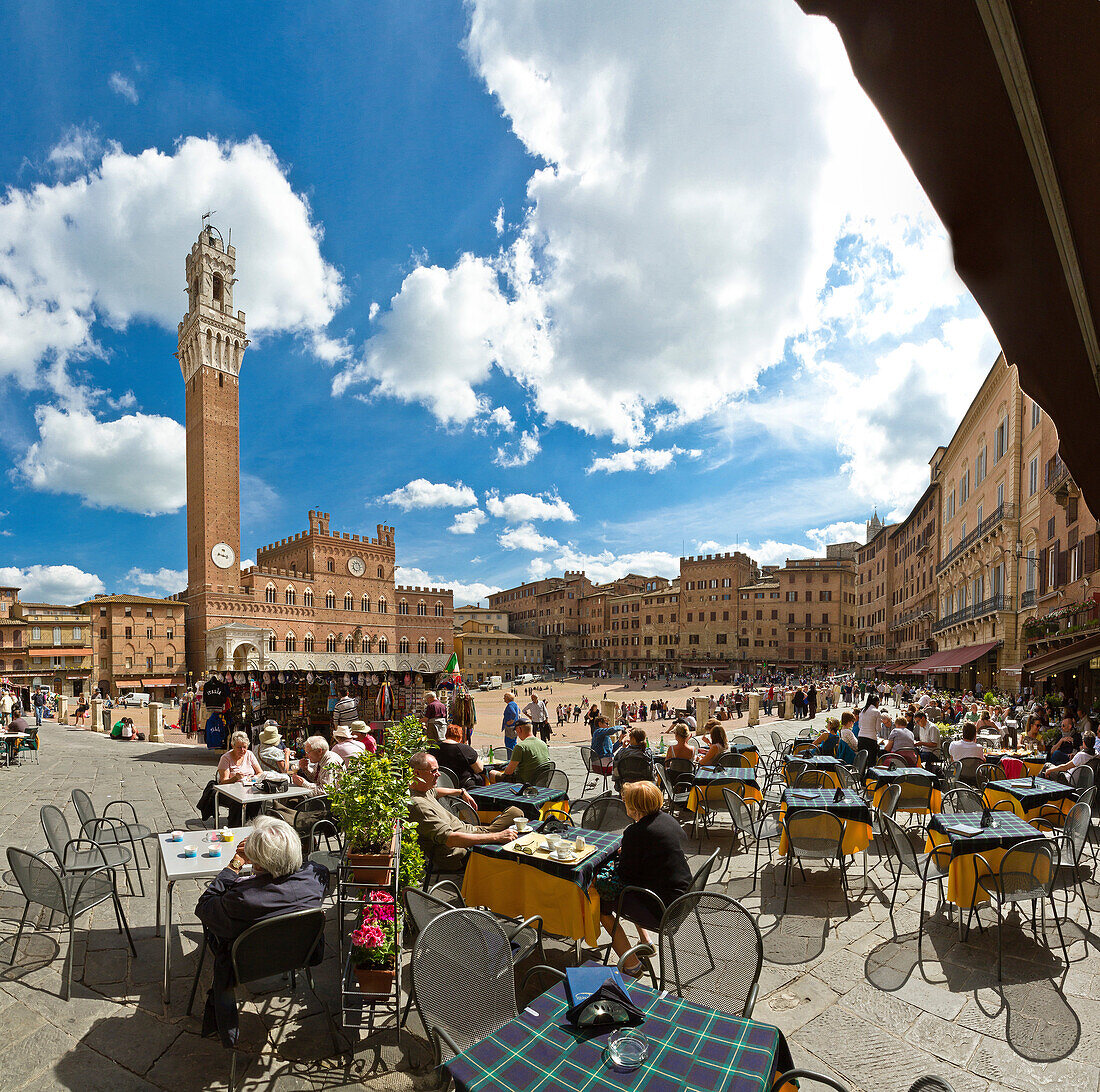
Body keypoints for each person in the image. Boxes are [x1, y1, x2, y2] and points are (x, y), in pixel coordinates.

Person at [195, 815, 328, 1046]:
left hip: (246, 964)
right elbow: (307, 867)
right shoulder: (316, 877)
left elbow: (204, 906)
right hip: (300, 952)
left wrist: (236, 862)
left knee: (215, 926)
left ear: (256, 861)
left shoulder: (242, 898)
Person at [597, 781, 692, 974]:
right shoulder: (667, 820)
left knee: (602, 904)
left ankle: (631, 964)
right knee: (633, 888)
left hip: (663, 908)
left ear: (633, 807)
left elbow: (625, 875)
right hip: (683, 896)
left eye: (626, 801)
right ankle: (646, 942)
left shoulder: (635, 832)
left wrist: (623, 857)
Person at [408, 751, 520, 871]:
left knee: (516, 813)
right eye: (433, 771)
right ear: (417, 773)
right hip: (463, 852)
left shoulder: (423, 789)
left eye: (438, 769)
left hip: (472, 831)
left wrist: (461, 791)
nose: (438, 774)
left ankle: (495, 830)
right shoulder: (418, 806)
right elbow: (451, 839)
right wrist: (497, 837)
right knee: (516, 835)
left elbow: (436, 792)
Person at [488, 716, 549, 783]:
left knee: (491, 773)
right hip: (540, 782)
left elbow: (508, 772)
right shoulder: (543, 744)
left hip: (523, 783)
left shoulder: (520, 747)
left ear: (519, 729)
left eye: (517, 731)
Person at [435, 722, 485, 788]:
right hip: (463, 785)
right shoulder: (465, 749)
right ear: (460, 737)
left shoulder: (435, 747)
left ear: (446, 735)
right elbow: (479, 769)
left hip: (441, 783)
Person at [857, 693, 881, 764]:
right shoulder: (877, 712)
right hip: (871, 739)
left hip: (861, 737)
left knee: (862, 762)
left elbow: (860, 726)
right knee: (871, 762)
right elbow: (878, 728)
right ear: (876, 702)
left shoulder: (862, 711)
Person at [501, 691, 521, 757]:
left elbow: (513, 713)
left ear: (507, 698)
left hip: (510, 728)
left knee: (509, 744)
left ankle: (511, 759)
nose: (503, 698)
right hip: (514, 727)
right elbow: (519, 712)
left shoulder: (510, 705)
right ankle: (514, 758)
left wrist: (511, 720)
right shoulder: (515, 704)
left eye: (504, 697)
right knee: (513, 743)